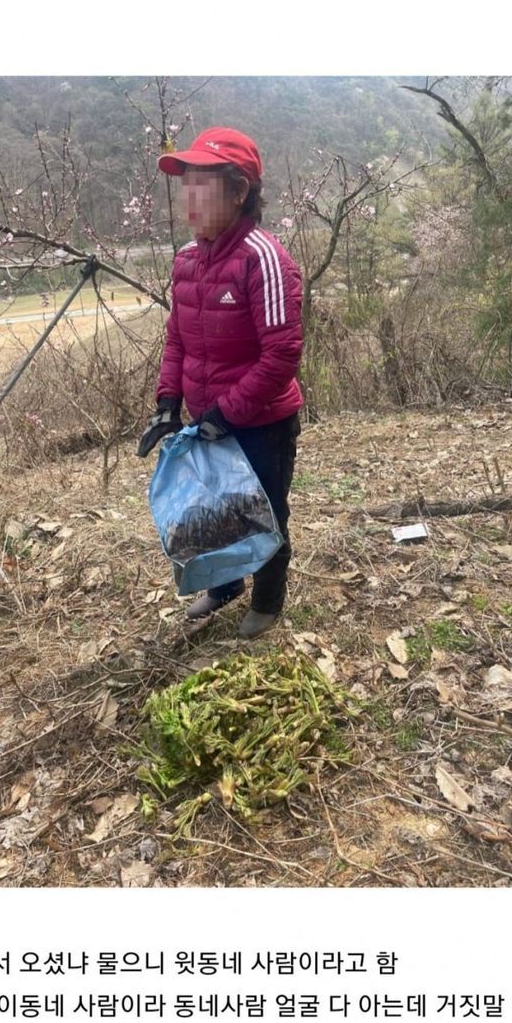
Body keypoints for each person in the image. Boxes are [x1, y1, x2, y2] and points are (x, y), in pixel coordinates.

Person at [138, 127, 304, 639]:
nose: (188, 198)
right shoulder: (188, 259)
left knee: (263, 511)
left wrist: (228, 413)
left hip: (260, 422)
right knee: (216, 508)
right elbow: (177, 337)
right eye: (185, 186)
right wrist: (168, 401)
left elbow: (282, 354)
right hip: (208, 420)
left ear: (238, 192)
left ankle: (268, 598)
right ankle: (226, 584)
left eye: (202, 186)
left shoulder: (263, 258)